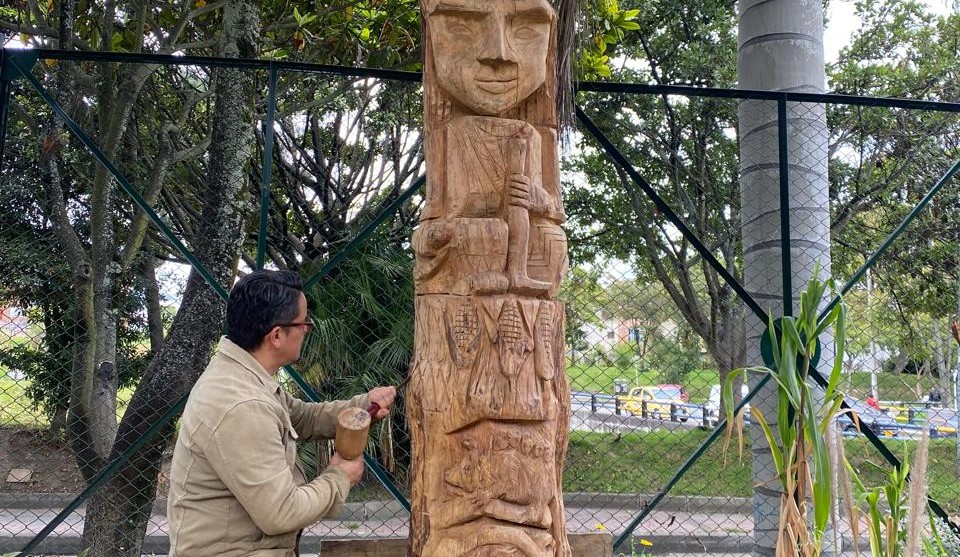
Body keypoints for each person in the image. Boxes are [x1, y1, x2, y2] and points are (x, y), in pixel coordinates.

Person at [167, 270, 396, 556]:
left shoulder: (244, 375)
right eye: (303, 323)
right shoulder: (241, 405)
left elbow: (302, 417)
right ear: (276, 335)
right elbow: (281, 513)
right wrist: (339, 476)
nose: (306, 330)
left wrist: (363, 406)